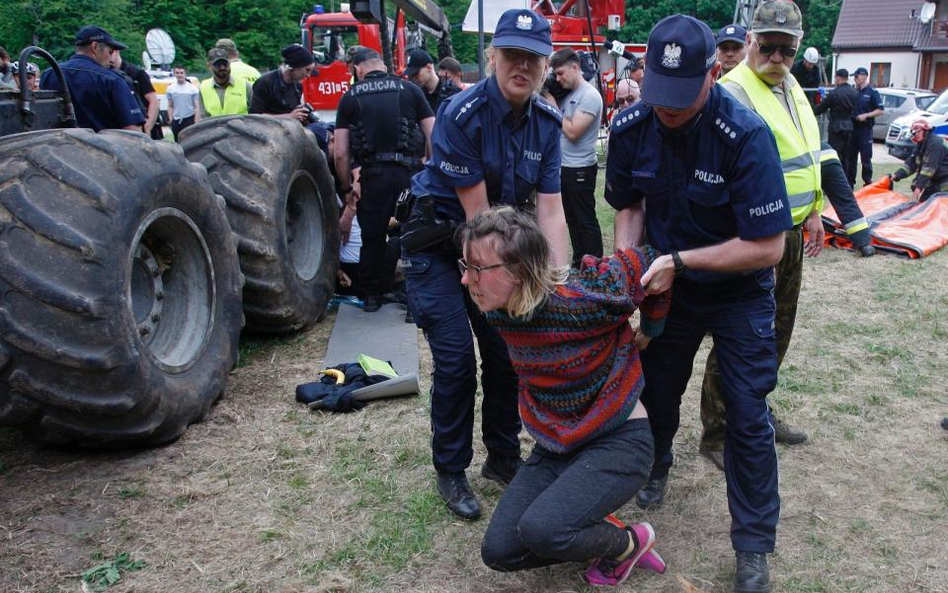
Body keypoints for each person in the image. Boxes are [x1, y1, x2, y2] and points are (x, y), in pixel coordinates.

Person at [606, 15, 791, 593]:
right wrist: (629, 272)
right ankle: (657, 463)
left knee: (745, 411)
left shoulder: (746, 134)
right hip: (667, 287)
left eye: (681, 99)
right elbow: (630, 206)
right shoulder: (634, 124)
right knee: (657, 389)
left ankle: (753, 545)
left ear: (714, 73)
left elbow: (768, 247)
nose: (668, 110)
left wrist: (681, 262)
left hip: (737, 292)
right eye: (660, 96)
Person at [403, 8, 569, 521]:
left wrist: (558, 283)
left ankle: (502, 457)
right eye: (512, 54)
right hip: (441, 248)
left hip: (497, 247)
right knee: (455, 362)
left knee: (504, 356)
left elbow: (551, 209)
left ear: (546, 66)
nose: (522, 65)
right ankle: (451, 470)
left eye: (533, 58)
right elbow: (477, 222)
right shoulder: (460, 113)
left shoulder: (547, 122)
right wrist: (516, 279)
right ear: (493, 56)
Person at [466, 207, 668, 585]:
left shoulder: (584, 295)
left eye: (477, 268)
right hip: (558, 445)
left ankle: (628, 544)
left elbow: (651, 262)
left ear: (519, 272)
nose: (466, 279)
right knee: (499, 551)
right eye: (466, 265)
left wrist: (650, 329)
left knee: (544, 530)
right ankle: (581, 516)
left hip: (619, 441)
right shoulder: (499, 311)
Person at [334, 49, 434, 312]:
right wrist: (428, 171)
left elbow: (342, 153)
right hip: (408, 176)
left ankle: (372, 297)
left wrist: (347, 187)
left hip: (374, 177)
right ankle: (415, 301)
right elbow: (433, 132)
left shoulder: (350, 97)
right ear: (383, 66)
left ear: (358, 69)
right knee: (413, 234)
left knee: (372, 237)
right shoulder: (410, 90)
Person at [550, 48, 603, 267]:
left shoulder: (589, 96)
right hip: (565, 167)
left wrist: (552, 107)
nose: (558, 78)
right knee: (571, 219)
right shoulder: (567, 94)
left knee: (585, 220)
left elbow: (573, 132)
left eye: (561, 73)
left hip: (580, 168)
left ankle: (596, 265)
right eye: (555, 74)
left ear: (575, 67)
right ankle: (579, 261)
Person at [40, 26, 145, 132]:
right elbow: (133, 132)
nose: (111, 59)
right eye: (110, 52)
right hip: (104, 147)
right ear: (95, 47)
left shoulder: (49, 75)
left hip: (57, 146)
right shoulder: (112, 80)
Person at [250, 44, 314, 122]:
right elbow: (254, 116)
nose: (308, 75)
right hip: (267, 130)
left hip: (291, 129)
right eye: (307, 70)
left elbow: (293, 114)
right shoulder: (265, 82)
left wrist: (300, 113)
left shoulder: (298, 86)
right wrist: (289, 116)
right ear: (294, 66)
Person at [814, 68, 858, 182]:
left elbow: (821, 108)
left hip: (836, 127)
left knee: (834, 155)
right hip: (849, 127)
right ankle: (847, 181)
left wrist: (811, 112)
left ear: (838, 78)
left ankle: (835, 180)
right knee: (846, 157)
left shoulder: (834, 93)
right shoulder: (854, 92)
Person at [891, 119, 948, 202]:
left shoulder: (935, 144)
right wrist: (896, 175)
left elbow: (928, 169)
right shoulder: (921, 144)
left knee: (935, 204)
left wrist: (918, 189)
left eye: (918, 132)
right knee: (924, 201)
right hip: (937, 179)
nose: (916, 134)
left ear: (926, 131)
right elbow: (911, 163)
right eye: (914, 133)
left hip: (945, 180)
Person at [110, 50, 161, 139]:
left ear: (117, 52)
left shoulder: (137, 73)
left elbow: (154, 101)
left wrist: (147, 127)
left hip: (142, 124)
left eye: (110, 53)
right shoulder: (106, 72)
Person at [851, 66, 884, 186]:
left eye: (856, 76)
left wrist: (866, 115)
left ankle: (867, 182)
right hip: (853, 129)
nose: (855, 79)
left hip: (865, 129)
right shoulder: (855, 91)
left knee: (866, 158)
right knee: (851, 158)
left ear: (864, 76)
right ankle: (850, 182)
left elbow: (881, 110)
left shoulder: (872, 92)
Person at [198, 48, 253, 118]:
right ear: (209, 66)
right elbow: (203, 118)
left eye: (225, 64)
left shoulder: (245, 85)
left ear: (230, 63)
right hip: (214, 128)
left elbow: (255, 115)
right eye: (218, 64)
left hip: (240, 128)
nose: (222, 67)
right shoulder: (203, 88)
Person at [404, 49, 461, 114]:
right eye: (411, 75)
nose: (414, 78)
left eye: (416, 73)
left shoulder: (452, 93)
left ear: (429, 67)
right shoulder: (415, 95)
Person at [166, 65, 201, 138]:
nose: (179, 75)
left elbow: (197, 107)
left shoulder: (193, 89)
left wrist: (196, 122)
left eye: (181, 73)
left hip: (189, 119)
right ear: (174, 74)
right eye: (177, 73)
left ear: (185, 74)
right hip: (176, 120)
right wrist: (171, 119)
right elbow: (170, 106)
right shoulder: (170, 89)